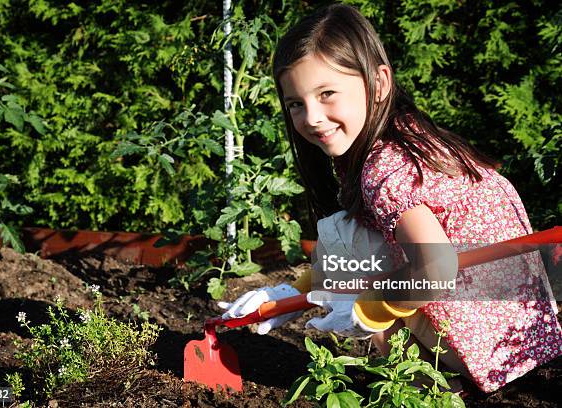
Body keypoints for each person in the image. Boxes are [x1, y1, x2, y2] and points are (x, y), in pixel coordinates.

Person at [218, 3, 561, 394]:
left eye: (327, 93)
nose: (311, 116)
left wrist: (368, 309)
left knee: (375, 289)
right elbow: (366, 251)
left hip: (486, 343)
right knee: (362, 256)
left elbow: (437, 270)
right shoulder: (405, 138)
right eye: (296, 103)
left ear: (379, 83)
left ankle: (422, 390)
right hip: (524, 338)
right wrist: (291, 293)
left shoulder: (384, 165)